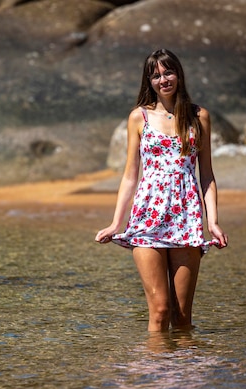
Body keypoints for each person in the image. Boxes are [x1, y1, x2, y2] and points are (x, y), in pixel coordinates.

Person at [95, 49, 228, 332]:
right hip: (147, 217)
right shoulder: (138, 118)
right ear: (149, 81)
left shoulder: (199, 116)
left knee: (181, 317)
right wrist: (115, 223)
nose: (163, 80)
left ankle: (184, 373)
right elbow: (130, 176)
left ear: (178, 74)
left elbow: (206, 175)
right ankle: (156, 374)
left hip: (186, 217)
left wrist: (212, 222)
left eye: (168, 72)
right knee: (160, 310)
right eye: (155, 75)